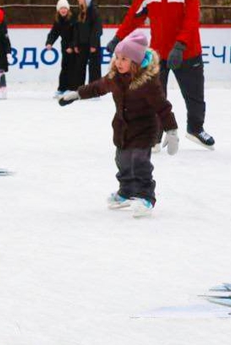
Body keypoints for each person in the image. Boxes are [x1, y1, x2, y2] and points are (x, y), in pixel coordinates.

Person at [58, 30, 180, 217]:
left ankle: (145, 196)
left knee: (139, 162)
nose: (118, 62)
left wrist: (171, 130)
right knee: (122, 161)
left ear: (135, 62)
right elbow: (97, 87)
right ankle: (126, 191)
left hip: (144, 130)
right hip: (122, 129)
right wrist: (78, 94)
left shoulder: (148, 83)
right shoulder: (114, 77)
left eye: (124, 59)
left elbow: (163, 108)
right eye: (117, 57)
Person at [109, 0, 215, 149]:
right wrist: (118, 38)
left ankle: (195, 128)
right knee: (154, 96)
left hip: (188, 52)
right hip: (158, 55)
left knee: (194, 95)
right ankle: (155, 136)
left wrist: (180, 45)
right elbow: (134, 16)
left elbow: (192, 19)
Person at [46, 0, 77, 98]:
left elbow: (77, 35)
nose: (63, 10)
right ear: (58, 10)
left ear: (68, 9)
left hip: (74, 47)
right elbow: (53, 33)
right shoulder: (58, 20)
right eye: (61, 8)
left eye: (65, 8)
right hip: (64, 47)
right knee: (64, 67)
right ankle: (61, 88)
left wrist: (72, 46)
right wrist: (49, 42)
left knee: (72, 68)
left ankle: (71, 88)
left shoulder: (73, 19)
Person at [73, 0, 101, 85]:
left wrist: (93, 44)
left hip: (92, 44)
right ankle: (79, 88)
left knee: (94, 67)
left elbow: (97, 29)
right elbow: (76, 29)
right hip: (81, 44)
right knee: (79, 66)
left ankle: (94, 90)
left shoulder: (94, 11)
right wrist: (75, 44)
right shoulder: (79, 11)